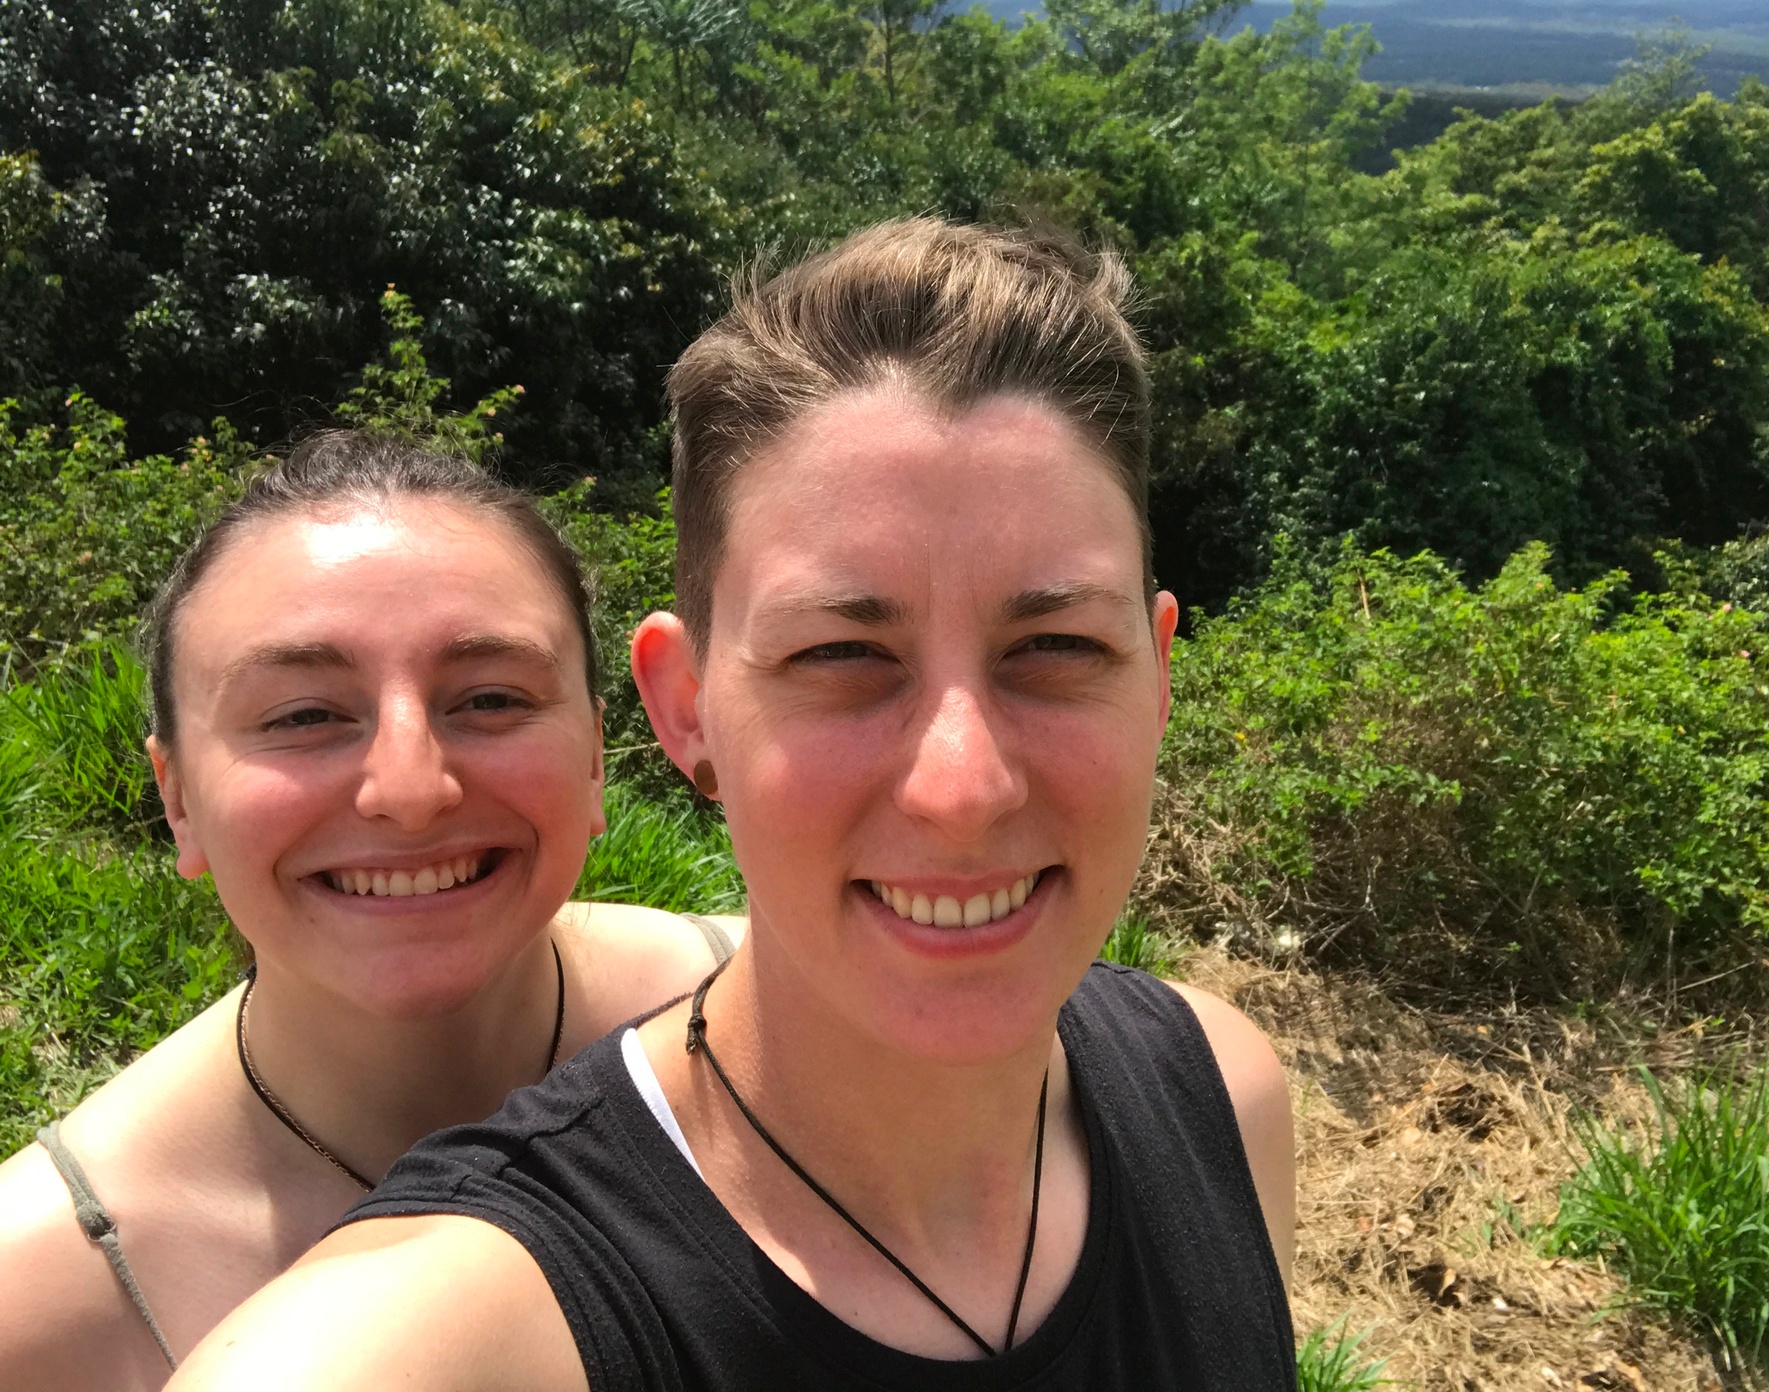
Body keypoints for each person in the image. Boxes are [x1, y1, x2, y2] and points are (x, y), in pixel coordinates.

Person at [171, 218, 1299, 1391]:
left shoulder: (1219, 1095)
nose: (964, 788)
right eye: (840, 657)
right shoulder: (431, 1346)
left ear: (1156, 679)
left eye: (1056, 647)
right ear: (686, 707)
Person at [0, 433, 744, 1391]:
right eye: (304, 715)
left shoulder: (789, 1027)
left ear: (596, 756)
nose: (410, 789)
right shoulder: (37, 1301)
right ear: (177, 799)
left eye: (489, 698)